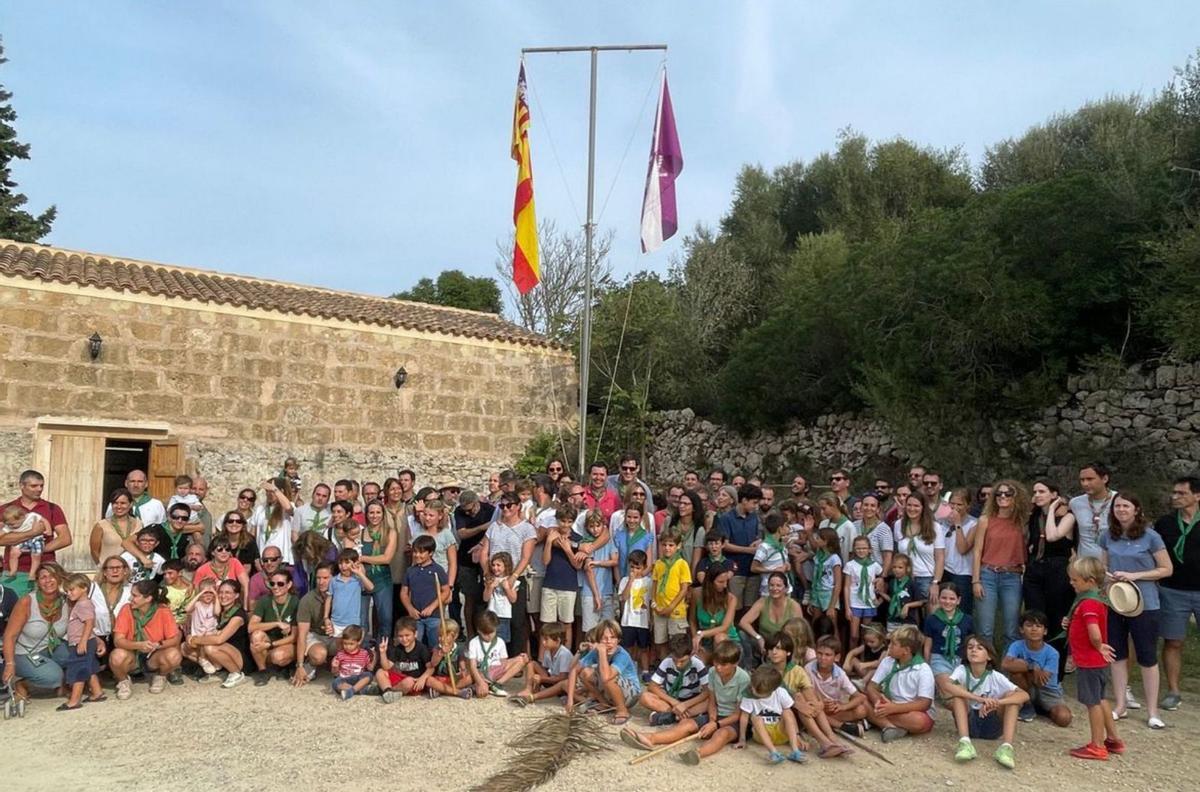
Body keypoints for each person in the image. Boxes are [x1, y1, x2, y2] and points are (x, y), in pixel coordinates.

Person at [1100, 491, 1171, 728]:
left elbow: (1165, 569)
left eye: (1126, 506)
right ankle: (1120, 705)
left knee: (1147, 656)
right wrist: (1107, 576)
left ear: (1136, 509)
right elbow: (1103, 565)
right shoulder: (1108, 536)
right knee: (1117, 654)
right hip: (1116, 601)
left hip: (1145, 603)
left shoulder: (1151, 537)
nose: (1121, 510)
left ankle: (1152, 711)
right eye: (1117, 506)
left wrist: (1135, 575)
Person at [627, 639, 748, 765]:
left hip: (734, 720)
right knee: (686, 724)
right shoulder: (712, 672)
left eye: (723, 665)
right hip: (715, 713)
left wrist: (716, 725)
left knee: (721, 734)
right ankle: (650, 738)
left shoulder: (743, 678)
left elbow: (738, 714)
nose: (718, 667)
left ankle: (698, 753)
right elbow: (712, 701)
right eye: (716, 663)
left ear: (735, 663)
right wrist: (712, 721)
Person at [1064, 556, 1124, 760]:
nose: (1071, 583)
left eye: (1075, 580)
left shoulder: (1088, 603)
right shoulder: (1095, 600)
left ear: (1090, 581)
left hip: (1089, 661)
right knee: (1100, 698)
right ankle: (1113, 739)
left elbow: (1094, 632)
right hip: (1096, 662)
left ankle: (1097, 745)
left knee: (1092, 703)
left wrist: (1098, 646)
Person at [943, 635, 1027, 768]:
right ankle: (965, 743)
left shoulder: (995, 676)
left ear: (989, 656)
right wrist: (981, 699)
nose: (973, 650)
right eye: (970, 647)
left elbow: (1024, 695)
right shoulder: (961, 670)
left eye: (979, 648)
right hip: (969, 721)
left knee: (1012, 696)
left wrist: (997, 702)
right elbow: (947, 686)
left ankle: (1006, 748)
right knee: (958, 693)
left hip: (992, 724)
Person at [764, 632, 849, 758]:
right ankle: (825, 742)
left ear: (788, 652)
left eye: (778, 648)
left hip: (800, 713)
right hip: (777, 715)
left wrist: (817, 704)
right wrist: (798, 704)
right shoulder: (764, 670)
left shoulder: (796, 670)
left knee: (805, 696)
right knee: (799, 698)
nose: (774, 652)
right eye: (770, 649)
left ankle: (832, 739)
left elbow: (810, 690)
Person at [1157, 476, 1200, 712]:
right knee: (1173, 641)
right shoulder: (1165, 523)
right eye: (1174, 493)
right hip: (1173, 590)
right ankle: (1173, 691)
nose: (1175, 497)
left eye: (1181, 493)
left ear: (1197, 495)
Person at [971, 480, 1029, 653]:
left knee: (1012, 629)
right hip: (987, 574)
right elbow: (977, 551)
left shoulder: (1022, 521)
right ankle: (984, 666)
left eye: (1007, 493)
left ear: (1016, 497)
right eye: (999, 493)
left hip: (1012, 576)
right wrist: (976, 580)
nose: (1002, 496)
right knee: (985, 628)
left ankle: (1007, 670)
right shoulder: (985, 520)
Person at [1024, 480, 1075, 674]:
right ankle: (1035, 667)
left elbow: (1053, 536)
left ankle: (1055, 671)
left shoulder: (1067, 516)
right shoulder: (1035, 515)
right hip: (1035, 570)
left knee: (1056, 621)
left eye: (1042, 491)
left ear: (1054, 494)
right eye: (1035, 491)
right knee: (1035, 618)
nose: (1037, 495)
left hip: (1058, 570)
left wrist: (1053, 508)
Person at [2, 564, 70, 705]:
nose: (48, 580)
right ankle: (22, 684)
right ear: (37, 581)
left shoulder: (66, 601)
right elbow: (10, 635)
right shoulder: (27, 601)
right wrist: (9, 663)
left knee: (76, 655)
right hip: (25, 652)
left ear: (59, 578)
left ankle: (63, 682)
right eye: (43, 577)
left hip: (51, 648)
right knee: (54, 676)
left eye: (52, 576)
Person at [478, 493, 536, 656]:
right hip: (494, 575)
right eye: (502, 506)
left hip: (516, 577)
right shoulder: (495, 527)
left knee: (517, 620)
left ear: (518, 506)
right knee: (492, 617)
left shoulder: (527, 529)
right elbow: (484, 551)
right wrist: (486, 572)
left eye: (509, 505)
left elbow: (526, 556)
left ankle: (516, 656)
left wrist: (513, 576)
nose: (505, 509)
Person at [110, 579, 184, 699]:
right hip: (132, 654)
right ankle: (123, 681)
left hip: (154, 654)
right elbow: (118, 641)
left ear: (148, 598)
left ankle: (161, 676)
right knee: (117, 656)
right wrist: (139, 645)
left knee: (174, 655)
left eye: (134, 596)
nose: (130, 599)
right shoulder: (126, 609)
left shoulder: (163, 610)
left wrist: (156, 645)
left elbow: (174, 639)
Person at [1, 470, 71, 592]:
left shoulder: (52, 508)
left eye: (41, 486)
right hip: (15, 572)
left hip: (45, 572)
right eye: (34, 486)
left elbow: (65, 538)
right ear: (22, 486)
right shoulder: (6, 509)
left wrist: (38, 549)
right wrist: (32, 533)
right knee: (11, 609)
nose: (39, 489)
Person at [865, 624, 936, 742]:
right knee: (862, 699)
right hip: (889, 705)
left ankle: (877, 721)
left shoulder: (923, 669)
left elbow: (924, 703)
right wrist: (878, 703)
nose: (889, 647)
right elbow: (872, 687)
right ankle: (890, 727)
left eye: (893, 644)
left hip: (912, 711)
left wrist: (894, 708)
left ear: (906, 651)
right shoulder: (888, 661)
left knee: (919, 721)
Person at [1001, 610, 1071, 726]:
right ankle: (1027, 705)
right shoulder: (1016, 645)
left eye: (1038, 626)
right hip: (1027, 687)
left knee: (1064, 718)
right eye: (1029, 626)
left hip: (1049, 691)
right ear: (1021, 629)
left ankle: (1042, 709)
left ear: (1045, 631)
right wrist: (1031, 666)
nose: (1034, 629)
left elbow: (1042, 680)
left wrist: (1022, 666)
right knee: (1016, 674)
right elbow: (1005, 664)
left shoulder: (1052, 653)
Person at [567, 618, 641, 726]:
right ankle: (604, 703)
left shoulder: (621, 654)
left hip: (631, 693)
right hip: (610, 690)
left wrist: (602, 653)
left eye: (612, 638)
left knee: (608, 676)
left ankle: (622, 710)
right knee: (585, 672)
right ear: (598, 640)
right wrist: (570, 700)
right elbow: (574, 670)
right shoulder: (594, 652)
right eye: (604, 639)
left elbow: (606, 677)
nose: (609, 642)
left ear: (618, 640)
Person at [736, 665, 808, 765]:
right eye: (752, 686)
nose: (752, 690)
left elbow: (791, 718)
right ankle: (773, 752)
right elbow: (744, 717)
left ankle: (795, 750)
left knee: (787, 712)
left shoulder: (781, 693)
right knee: (755, 717)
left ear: (772, 690)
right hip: (763, 734)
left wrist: (797, 736)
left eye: (757, 690)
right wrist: (742, 739)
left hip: (782, 733)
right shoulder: (749, 696)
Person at [187, 579, 252, 689]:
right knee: (185, 648)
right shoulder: (219, 610)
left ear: (236, 595)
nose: (223, 596)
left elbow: (219, 639)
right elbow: (189, 611)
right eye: (220, 592)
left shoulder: (238, 615)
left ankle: (236, 673)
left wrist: (194, 639)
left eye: (227, 593)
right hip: (223, 651)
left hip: (240, 658)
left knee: (210, 647)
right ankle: (218, 671)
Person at [637, 633, 710, 726]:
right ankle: (679, 715)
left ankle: (672, 716)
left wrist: (685, 705)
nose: (678, 664)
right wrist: (674, 702)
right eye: (675, 660)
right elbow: (652, 686)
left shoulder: (697, 664)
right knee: (644, 697)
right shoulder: (667, 662)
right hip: (671, 701)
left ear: (691, 654)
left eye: (682, 661)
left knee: (710, 702)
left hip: (691, 702)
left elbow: (707, 691)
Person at [805, 636, 869, 735]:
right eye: (820, 653)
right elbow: (807, 692)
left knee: (861, 710)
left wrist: (842, 707)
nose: (823, 658)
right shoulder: (808, 669)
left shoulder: (840, 674)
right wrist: (821, 701)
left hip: (832, 709)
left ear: (837, 657)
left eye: (828, 655)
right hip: (816, 706)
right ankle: (841, 726)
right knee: (811, 711)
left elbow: (860, 697)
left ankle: (826, 723)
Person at [452, 489, 494, 638]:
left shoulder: (489, 510)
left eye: (470, 510)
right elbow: (462, 533)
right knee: (469, 597)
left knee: (486, 597)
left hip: (486, 558)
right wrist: (483, 527)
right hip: (466, 559)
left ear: (477, 503)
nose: (468, 514)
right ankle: (470, 634)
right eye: (466, 511)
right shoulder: (459, 512)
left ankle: (486, 632)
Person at [893, 492, 945, 610]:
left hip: (926, 577)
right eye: (909, 505)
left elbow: (940, 557)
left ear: (923, 507)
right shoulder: (898, 525)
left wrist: (935, 583)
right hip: (904, 577)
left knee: (930, 614)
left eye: (916, 506)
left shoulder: (934, 527)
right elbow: (898, 554)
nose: (912, 509)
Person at [247, 567, 299, 686]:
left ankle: (288, 665)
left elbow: (295, 637)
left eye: (280, 584)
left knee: (278, 656)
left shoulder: (296, 602)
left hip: (288, 642)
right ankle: (263, 670)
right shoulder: (265, 600)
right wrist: (276, 623)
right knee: (256, 635)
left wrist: (269, 645)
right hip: (269, 639)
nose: (275, 587)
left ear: (289, 584)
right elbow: (251, 627)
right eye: (272, 584)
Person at [716, 484, 763, 614]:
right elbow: (725, 544)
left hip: (753, 570)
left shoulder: (754, 517)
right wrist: (749, 550)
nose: (755, 506)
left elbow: (759, 536)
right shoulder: (726, 518)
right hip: (736, 570)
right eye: (754, 503)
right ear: (744, 500)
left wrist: (758, 542)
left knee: (751, 608)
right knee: (734, 607)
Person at [541, 504, 583, 649]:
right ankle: (545, 658)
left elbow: (578, 565)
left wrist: (567, 549)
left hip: (568, 585)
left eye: (569, 521)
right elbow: (545, 561)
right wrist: (548, 542)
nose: (565, 524)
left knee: (566, 623)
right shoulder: (552, 535)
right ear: (557, 520)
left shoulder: (577, 538)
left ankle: (565, 654)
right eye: (562, 521)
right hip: (550, 584)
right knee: (547, 624)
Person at [61, 573, 103, 710]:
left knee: (78, 669)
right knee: (89, 666)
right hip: (84, 641)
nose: (69, 593)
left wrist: (83, 641)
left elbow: (89, 623)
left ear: (84, 588)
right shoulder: (81, 604)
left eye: (72, 590)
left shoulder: (83, 604)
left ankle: (74, 700)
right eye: (67, 591)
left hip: (81, 642)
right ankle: (97, 692)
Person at [739, 571, 803, 661]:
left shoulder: (794, 606)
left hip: (784, 647)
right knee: (743, 635)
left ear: (786, 588)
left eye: (778, 585)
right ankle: (751, 665)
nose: (774, 588)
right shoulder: (763, 602)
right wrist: (759, 637)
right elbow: (743, 622)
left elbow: (801, 633)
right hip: (765, 644)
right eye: (771, 585)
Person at [922, 581, 974, 692]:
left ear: (958, 600)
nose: (947, 602)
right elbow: (927, 646)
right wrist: (927, 668)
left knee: (961, 689)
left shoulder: (967, 619)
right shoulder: (932, 619)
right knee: (949, 689)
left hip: (960, 660)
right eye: (944, 598)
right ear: (939, 598)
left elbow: (970, 643)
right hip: (939, 659)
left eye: (952, 599)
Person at [291, 562, 335, 686]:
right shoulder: (307, 599)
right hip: (316, 635)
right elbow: (302, 634)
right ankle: (308, 664)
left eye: (325, 578)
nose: (321, 582)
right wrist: (299, 665)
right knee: (319, 655)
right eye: (318, 578)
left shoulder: (342, 595)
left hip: (336, 636)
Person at [401, 535, 448, 648]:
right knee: (415, 645)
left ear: (430, 553)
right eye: (415, 552)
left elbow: (445, 591)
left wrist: (432, 607)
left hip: (434, 616)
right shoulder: (410, 571)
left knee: (435, 645)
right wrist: (410, 609)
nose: (417, 555)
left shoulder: (437, 570)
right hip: (416, 616)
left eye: (421, 553)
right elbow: (404, 592)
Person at [651, 529, 692, 661]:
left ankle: (677, 669)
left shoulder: (682, 564)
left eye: (671, 545)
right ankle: (665, 668)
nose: (667, 548)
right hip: (659, 610)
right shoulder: (658, 563)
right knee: (660, 641)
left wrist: (671, 607)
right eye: (664, 545)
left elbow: (684, 588)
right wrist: (654, 604)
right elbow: (655, 585)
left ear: (678, 546)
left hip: (676, 611)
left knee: (677, 643)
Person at [467, 610, 527, 698]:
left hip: (495, 670)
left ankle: (496, 685)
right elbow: (472, 666)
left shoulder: (500, 642)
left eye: (492, 633)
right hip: (481, 672)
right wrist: (480, 681)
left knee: (522, 660)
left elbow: (504, 662)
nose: (489, 636)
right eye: (485, 634)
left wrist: (516, 659)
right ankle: (482, 685)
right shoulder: (474, 642)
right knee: (476, 687)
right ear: (479, 631)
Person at [360, 499, 397, 642]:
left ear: (383, 514)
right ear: (367, 514)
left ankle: (384, 651)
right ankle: (362, 652)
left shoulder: (390, 532)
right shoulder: (361, 533)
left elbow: (387, 558)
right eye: (371, 512)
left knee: (385, 619)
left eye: (377, 512)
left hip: (382, 579)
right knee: (362, 620)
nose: (374, 516)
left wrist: (363, 558)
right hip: (363, 580)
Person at [514, 621, 573, 705]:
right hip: (551, 679)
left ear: (557, 641)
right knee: (532, 664)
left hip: (560, 684)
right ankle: (528, 689)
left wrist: (542, 678)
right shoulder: (547, 651)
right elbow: (544, 669)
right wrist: (538, 679)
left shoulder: (564, 654)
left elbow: (562, 678)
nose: (543, 642)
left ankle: (536, 694)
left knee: (557, 682)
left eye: (546, 639)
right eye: (543, 639)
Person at [375, 616, 431, 702]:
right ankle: (388, 691)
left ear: (415, 634)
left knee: (409, 682)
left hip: (415, 681)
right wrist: (383, 653)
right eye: (400, 636)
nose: (404, 639)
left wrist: (423, 678)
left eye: (407, 635)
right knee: (380, 672)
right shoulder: (398, 649)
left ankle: (386, 690)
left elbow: (431, 667)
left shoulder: (422, 648)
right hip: (401, 679)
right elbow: (386, 667)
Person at [690, 562, 738, 661]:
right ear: (710, 581)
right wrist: (696, 640)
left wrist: (701, 634)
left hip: (727, 641)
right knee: (695, 661)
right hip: (706, 642)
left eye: (726, 581)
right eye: (720, 582)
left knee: (719, 637)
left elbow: (724, 627)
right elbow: (692, 621)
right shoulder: (696, 594)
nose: (725, 585)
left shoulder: (731, 599)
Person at [1069, 462, 1116, 559]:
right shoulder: (1075, 503)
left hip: (1114, 562)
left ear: (1105, 479)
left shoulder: (1120, 501)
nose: (1085, 484)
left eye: (1090, 479)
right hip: (1085, 564)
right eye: (1082, 480)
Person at [942, 488, 978, 614]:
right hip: (944, 570)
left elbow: (963, 548)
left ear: (967, 505)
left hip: (963, 573)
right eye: (952, 503)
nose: (955, 507)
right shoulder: (943, 521)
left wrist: (958, 524)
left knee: (961, 610)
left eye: (959, 504)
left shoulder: (974, 523)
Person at [843, 536, 882, 649]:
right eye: (858, 548)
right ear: (854, 549)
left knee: (866, 635)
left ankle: (863, 658)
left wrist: (880, 599)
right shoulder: (850, 565)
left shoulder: (874, 565)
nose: (861, 551)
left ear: (869, 550)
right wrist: (847, 607)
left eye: (864, 548)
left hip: (869, 602)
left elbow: (882, 581)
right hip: (855, 603)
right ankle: (851, 657)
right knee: (854, 635)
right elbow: (846, 587)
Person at [88, 488, 143, 568]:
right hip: (109, 571)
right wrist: (102, 567)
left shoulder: (139, 523)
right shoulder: (101, 525)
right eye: (115, 503)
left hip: (133, 571)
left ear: (131, 504)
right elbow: (94, 551)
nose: (119, 506)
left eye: (123, 503)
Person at [618, 549, 652, 673]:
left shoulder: (648, 582)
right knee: (628, 647)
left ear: (644, 567)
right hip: (628, 621)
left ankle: (646, 671)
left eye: (638, 568)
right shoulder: (624, 581)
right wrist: (630, 581)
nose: (634, 571)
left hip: (643, 621)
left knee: (644, 648)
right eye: (632, 567)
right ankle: (630, 669)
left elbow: (651, 601)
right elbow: (623, 598)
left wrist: (651, 621)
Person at [193, 538, 252, 607]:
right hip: (211, 607)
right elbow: (196, 594)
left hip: (231, 605)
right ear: (212, 552)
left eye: (227, 549)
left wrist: (245, 607)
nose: (224, 552)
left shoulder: (234, 562)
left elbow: (246, 585)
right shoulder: (202, 570)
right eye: (219, 549)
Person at [183, 578, 221, 680]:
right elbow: (187, 609)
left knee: (207, 639)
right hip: (197, 635)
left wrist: (216, 595)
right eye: (205, 593)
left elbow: (217, 612)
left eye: (210, 593)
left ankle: (204, 661)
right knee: (190, 646)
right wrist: (200, 594)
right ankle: (203, 660)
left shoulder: (215, 605)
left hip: (210, 635)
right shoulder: (197, 605)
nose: (208, 595)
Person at [1, 503, 50, 581]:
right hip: (21, 540)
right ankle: (13, 571)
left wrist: (48, 529)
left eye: (13, 524)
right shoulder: (10, 526)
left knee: (36, 556)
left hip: (35, 539)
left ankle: (32, 573)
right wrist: (32, 532)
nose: (11, 526)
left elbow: (44, 520)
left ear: (21, 517)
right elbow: (3, 532)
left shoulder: (31, 516)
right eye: (9, 524)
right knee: (13, 553)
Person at [330, 624, 374, 701]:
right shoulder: (340, 654)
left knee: (368, 675)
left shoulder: (364, 653)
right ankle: (359, 690)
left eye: (351, 644)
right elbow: (335, 673)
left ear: (359, 642)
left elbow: (369, 667)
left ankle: (351, 691)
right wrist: (334, 667)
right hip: (344, 679)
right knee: (336, 682)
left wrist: (372, 661)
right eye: (345, 643)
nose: (348, 646)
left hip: (358, 678)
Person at [484, 551, 519, 643]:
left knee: (501, 641)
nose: (495, 568)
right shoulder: (489, 580)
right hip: (491, 614)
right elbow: (485, 598)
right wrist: (490, 587)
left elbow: (513, 599)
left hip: (504, 615)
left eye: (498, 565)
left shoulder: (511, 581)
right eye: (493, 565)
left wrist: (507, 588)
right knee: (489, 639)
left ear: (506, 566)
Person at [882, 554, 922, 633]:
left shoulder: (912, 583)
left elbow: (920, 602)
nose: (896, 570)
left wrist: (907, 605)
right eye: (894, 567)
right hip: (893, 619)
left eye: (900, 567)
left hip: (908, 620)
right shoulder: (892, 582)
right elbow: (892, 599)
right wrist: (881, 593)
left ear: (908, 569)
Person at [854, 493, 894, 571]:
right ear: (861, 507)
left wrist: (883, 577)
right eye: (866, 505)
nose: (869, 508)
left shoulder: (884, 529)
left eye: (872, 506)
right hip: (856, 572)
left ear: (878, 509)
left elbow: (887, 556)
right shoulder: (854, 526)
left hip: (876, 573)